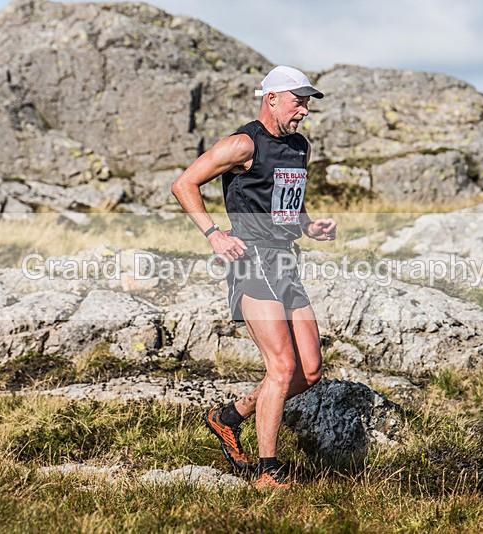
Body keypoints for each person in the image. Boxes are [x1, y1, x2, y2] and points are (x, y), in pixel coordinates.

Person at [171, 65, 336, 489]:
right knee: (281, 367)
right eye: (298, 102)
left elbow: (288, 202)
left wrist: (309, 225)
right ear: (272, 99)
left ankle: (229, 417)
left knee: (309, 371)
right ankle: (267, 471)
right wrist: (214, 234)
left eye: (307, 104)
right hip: (251, 259)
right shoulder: (243, 143)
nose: (304, 111)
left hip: (285, 260)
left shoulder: (300, 147)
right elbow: (184, 184)